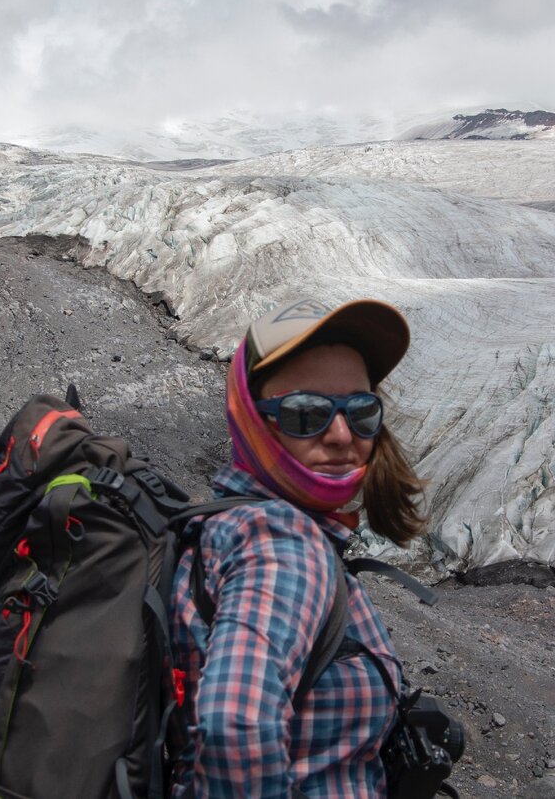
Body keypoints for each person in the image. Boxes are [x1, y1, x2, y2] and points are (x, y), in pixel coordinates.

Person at [169, 297, 429, 798]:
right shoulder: (281, 541)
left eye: (360, 410)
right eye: (303, 413)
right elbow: (235, 724)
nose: (339, 435)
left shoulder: (228, 522)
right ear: (250, 416)